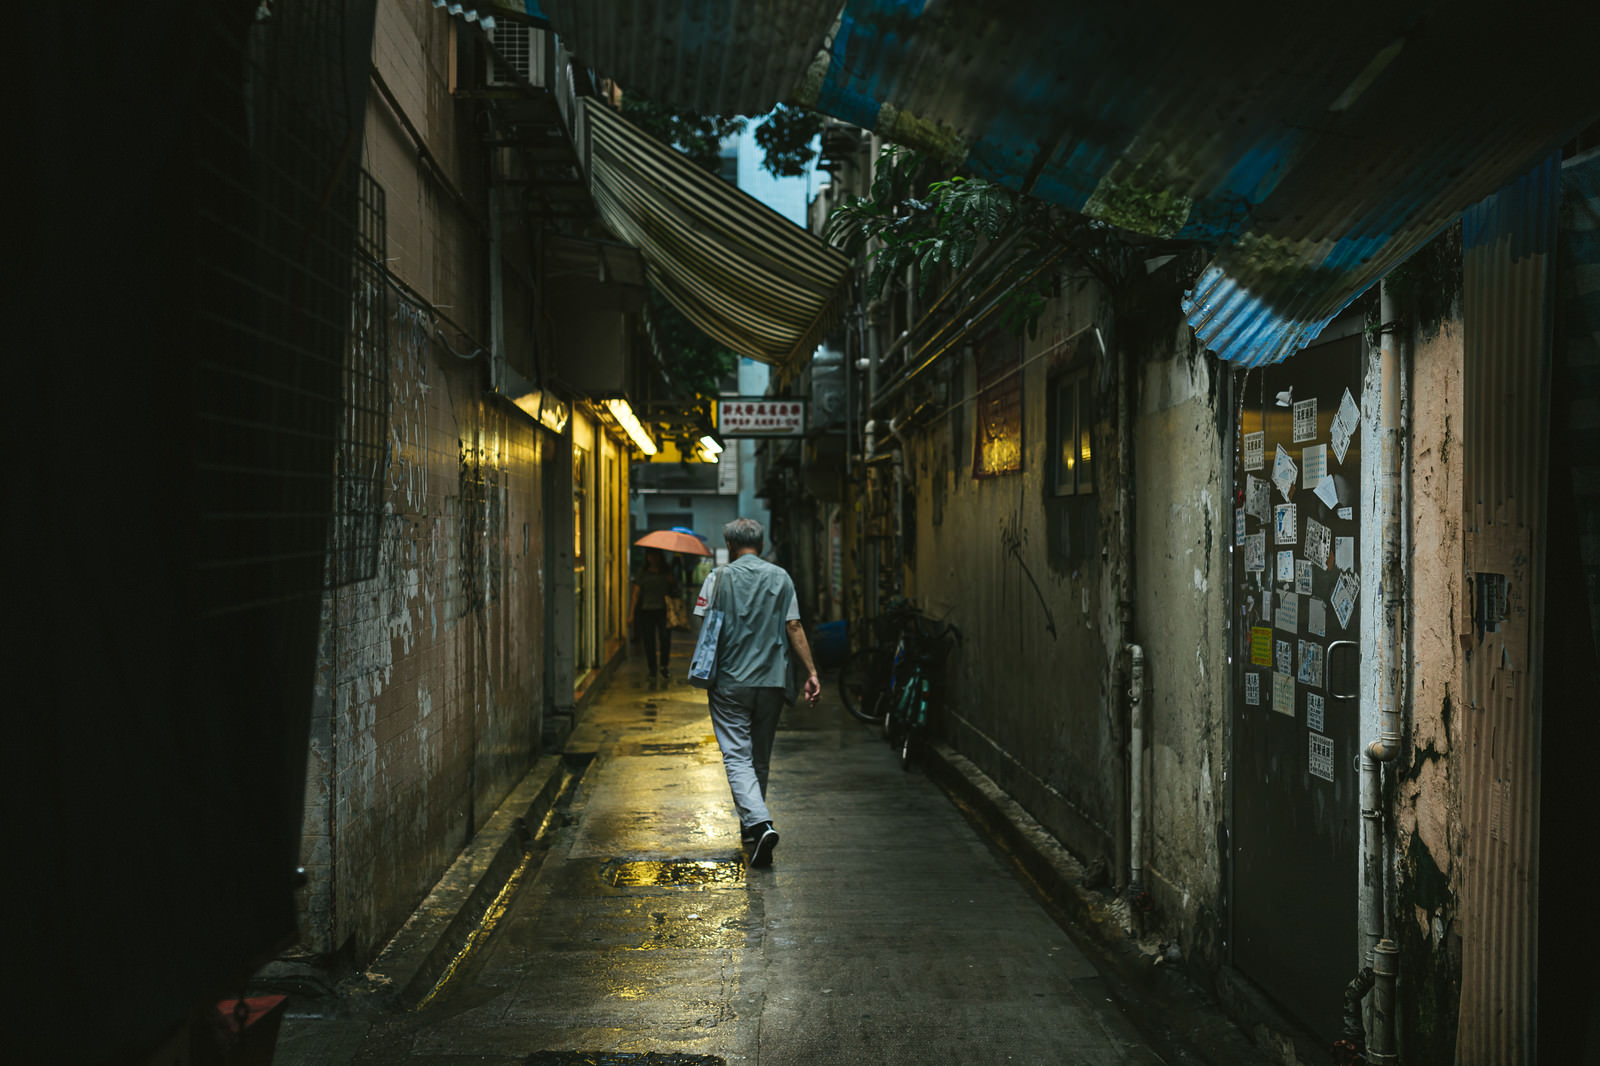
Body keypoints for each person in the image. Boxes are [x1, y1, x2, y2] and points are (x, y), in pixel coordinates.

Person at [693, 517, 821, 867]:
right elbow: (793, 625)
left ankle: (759, 822)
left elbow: (705, 625)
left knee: (737, 755)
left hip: (730, 682)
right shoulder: (780, 578)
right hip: (771, 680)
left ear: (732, 546)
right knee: (759, 757)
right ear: (761, 546)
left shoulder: (717, 578)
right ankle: (752, 829)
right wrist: (810, 672)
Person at [628, 548, 681, 684]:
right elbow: (635, 593)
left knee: (665, 639)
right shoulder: (643, 573)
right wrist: (631, 614)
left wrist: (672, 581)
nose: (652, 558)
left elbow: (676, 589)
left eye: (655, 555)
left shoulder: (666, 571)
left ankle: (664, 666)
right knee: (649, 641)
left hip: (664, 610)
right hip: (646, 610)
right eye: (650, 555)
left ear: (660, 556)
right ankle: (652, 669)